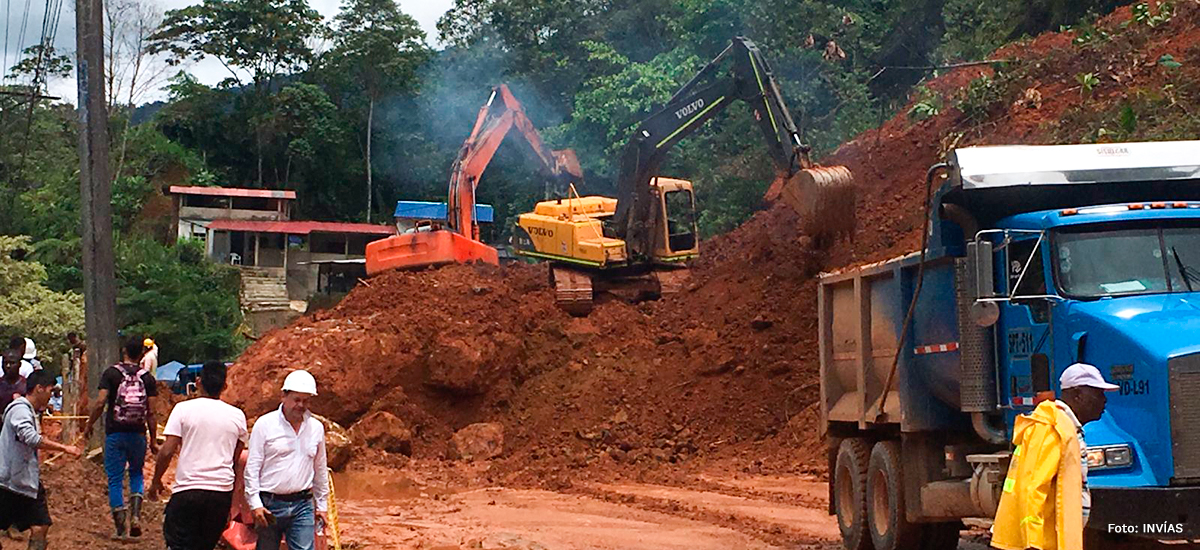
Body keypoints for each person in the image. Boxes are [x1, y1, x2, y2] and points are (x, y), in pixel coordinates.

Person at [991, 363, 1118, 550]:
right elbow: (1032, 486)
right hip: (1038, 544)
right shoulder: (1051, 428)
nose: (1104, 400)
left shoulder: (1065, 427)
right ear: (1078, 395)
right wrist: (1032, 543)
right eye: (1098, 393)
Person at [148, 361, 248, 550]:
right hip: (220, 494)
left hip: (188, 490)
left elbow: (167, 451)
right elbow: (235, 460)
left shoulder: (183, 410)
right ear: (224, 386)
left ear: (199, 382)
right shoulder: (237, 416)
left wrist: (156, 481)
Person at [83, 338, 159, 540]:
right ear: (142, 353)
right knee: (136, 474)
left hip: (115, 433)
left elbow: (100, 403)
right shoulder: (147, 379)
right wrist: (153, 439)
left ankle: (120, 529)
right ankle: (135, 516)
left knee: (115, 479)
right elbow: (151, 413)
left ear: (124, 351)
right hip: (138, 434)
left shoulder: (111, 373)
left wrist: (89, 425)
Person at [244, 370, 329, 550]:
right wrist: (255, 503)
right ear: (284, 396)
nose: (301, 405)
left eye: (305, 401)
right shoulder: (265, 425)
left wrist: (322, 506)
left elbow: (320, 469)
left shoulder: (316, 428)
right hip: (269, 505)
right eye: (296, 400)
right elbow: (252, 468)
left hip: (303, 505)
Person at [0, 369, 83, 550]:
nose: (51, 396)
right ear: (39, 389)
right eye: (50, 391)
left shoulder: (28, 410)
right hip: (10, 481)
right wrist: (65, 448)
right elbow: (31, 438)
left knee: (41, 524)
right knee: (37, 524)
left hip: (23, 480)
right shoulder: (20, 410)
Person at [0, 348, 27, 412]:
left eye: (12, 363)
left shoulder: (26, 385)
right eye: (5, 363)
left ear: (19, 364)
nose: (8, 366)